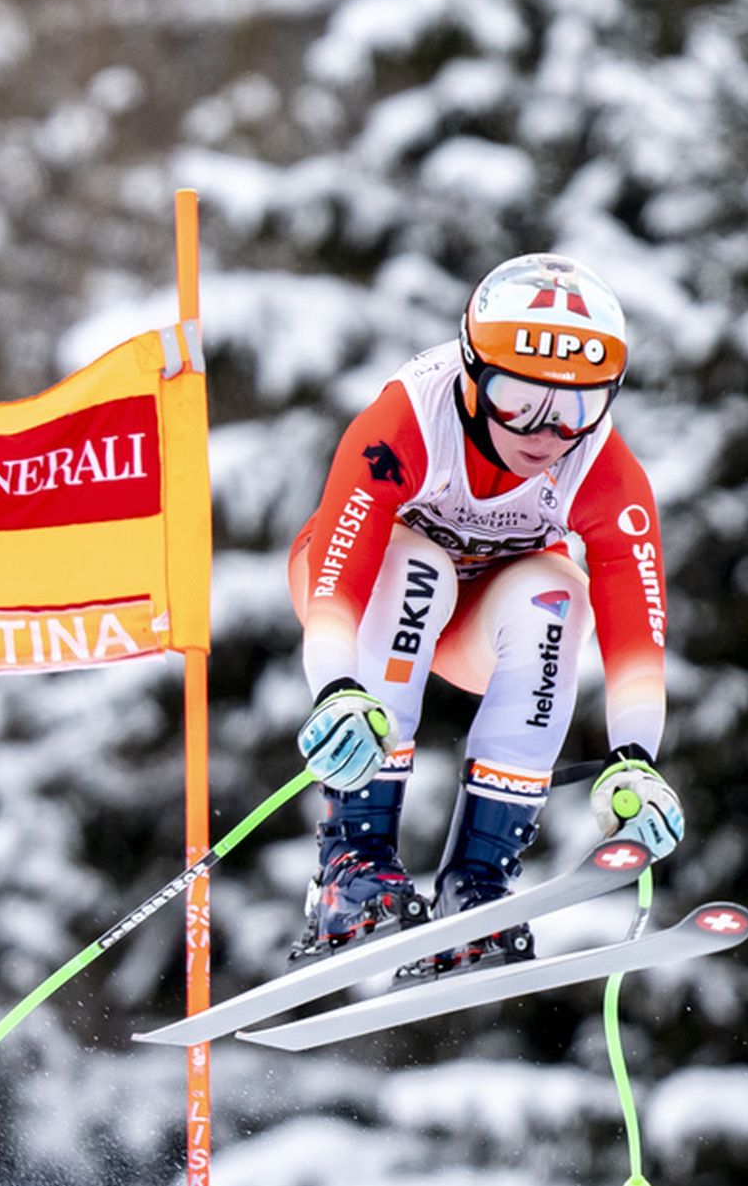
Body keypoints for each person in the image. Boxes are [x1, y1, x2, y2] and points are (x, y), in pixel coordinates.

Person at [281, 253, 684, 973]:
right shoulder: (408, 419)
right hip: (366, 597)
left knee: (553, 596)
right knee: (420, 568)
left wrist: (636, 762)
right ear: (471, 375)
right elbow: (341, 575)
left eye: (577, 408)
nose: (547, 433)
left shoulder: (602, 468)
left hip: (479, 629)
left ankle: (478, 885)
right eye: (519, 398)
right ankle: (353, 864)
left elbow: (637, 635)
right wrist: (336, 689)